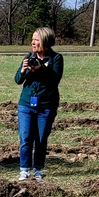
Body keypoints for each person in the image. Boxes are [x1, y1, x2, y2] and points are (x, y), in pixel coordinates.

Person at [14, 27, 63, 181]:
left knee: (41, 139)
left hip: (46, 106)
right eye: (33, 39)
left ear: (44, 41)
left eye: (36, 40)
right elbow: (17, 80)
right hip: (26, 105)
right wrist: (23, 70)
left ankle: (38, 170)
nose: (32, 42)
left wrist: (40, 69)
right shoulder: (29, 56)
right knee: (26, 137)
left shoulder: (56, 58)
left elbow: (54, 80)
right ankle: (24, 170)